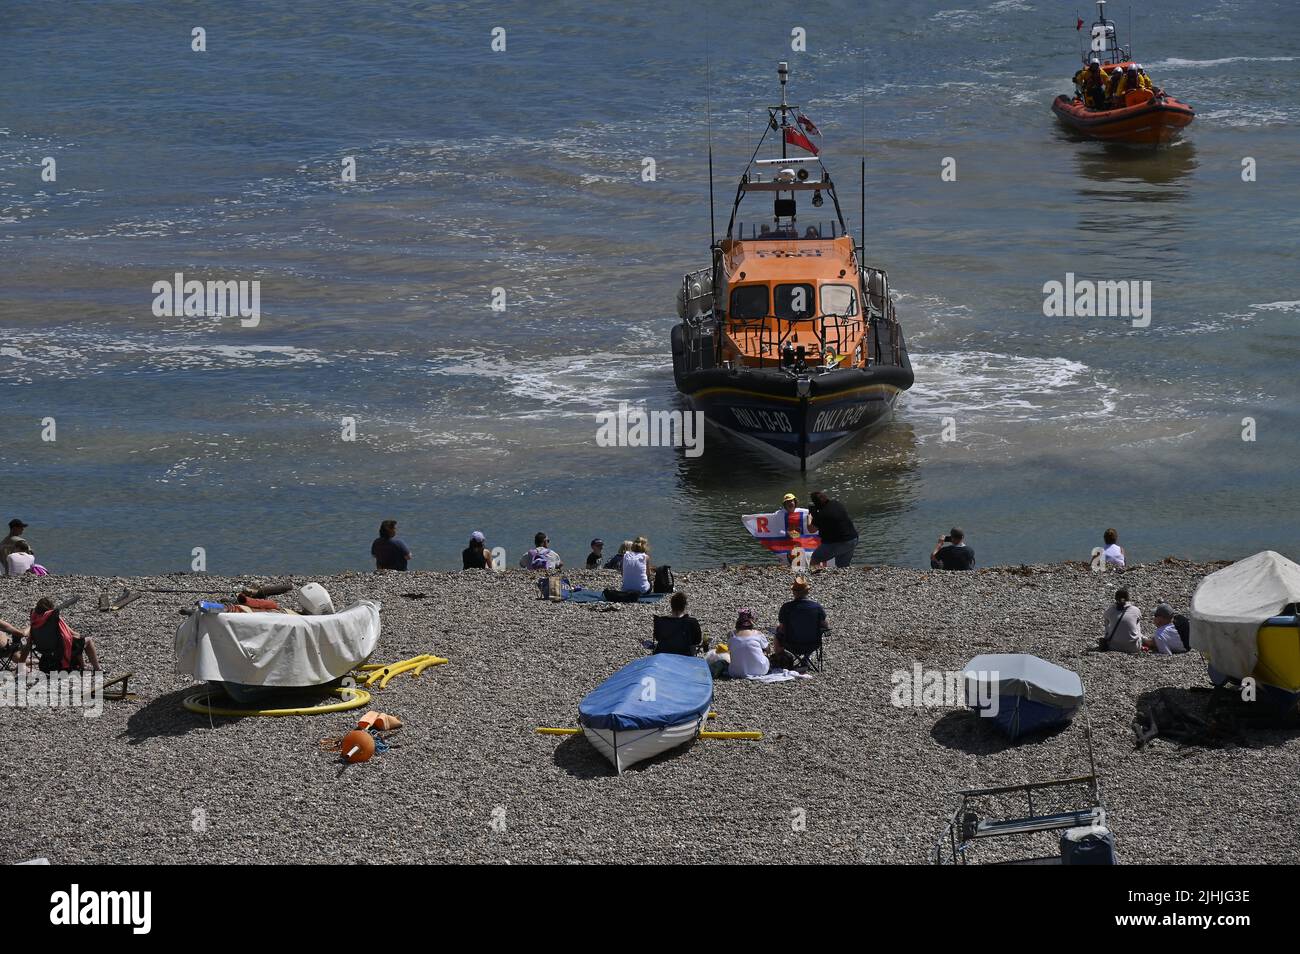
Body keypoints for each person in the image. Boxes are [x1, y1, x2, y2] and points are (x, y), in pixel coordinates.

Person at [29, 597, 100, 672]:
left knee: (78, 641)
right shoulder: (52, 618)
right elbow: (70, 635)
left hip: (44, 649)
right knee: (87, 641)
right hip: (60, 648)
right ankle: (97, 669)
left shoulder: (34, 619)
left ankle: (83, 666)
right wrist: (80, 636)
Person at [772, 577, 829, 668]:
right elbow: (825, 625)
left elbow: (782, 628)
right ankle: (806, 658)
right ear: (807, 592)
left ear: (794, 592)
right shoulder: (817, 607)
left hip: (790, 643)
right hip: (813, 643)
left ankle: (782, 661)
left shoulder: (786, 607)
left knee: (777, 631)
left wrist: (778, 630)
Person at [807, 491, 858, 568]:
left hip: (839, 543)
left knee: (815, 559)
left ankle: (815, 578)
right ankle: (844, 578)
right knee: (842, 566)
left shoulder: (821, 514)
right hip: (853, 539)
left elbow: (811, 530)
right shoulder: (836, 503)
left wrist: (809, 518)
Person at [650, 592, 706, 656]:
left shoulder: (661, 621)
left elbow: (657, 637)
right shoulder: (692, 622)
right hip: (685, 655)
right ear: (684, 606)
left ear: (671, 606)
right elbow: (697, 641)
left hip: (663, 654)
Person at [727, 609, 771, 678]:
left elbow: (730, 649)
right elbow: (768, 650)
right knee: (763, 652)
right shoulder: (758, 634)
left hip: (736, 671)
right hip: (760, 670)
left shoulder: (731, 634)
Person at [1100, 588, 1143, 653]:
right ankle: (1139, 638)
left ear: (1116, 599)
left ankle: (1109, 637)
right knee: (1137, 621)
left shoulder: (1111, 610)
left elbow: (1105, 617)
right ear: (1128, 598)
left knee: (1107, 620)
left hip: (1113, 647)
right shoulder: (1136, 610)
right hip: (1134, 648)